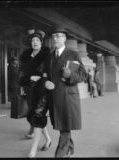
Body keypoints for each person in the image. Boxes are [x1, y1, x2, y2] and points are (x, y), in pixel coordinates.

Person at [45, 26, 87, 157]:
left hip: (67, 96)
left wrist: (70, 76)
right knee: (63, 125)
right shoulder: (50, 56)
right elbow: (46, 75)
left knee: (64, 126)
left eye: (58, 36)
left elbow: (84, 75)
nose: (55, 38)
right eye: (53, 36)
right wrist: (45, 81)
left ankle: (60, 154)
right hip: (54, 96)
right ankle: (70, 149)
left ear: (64, 38)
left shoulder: (73, 54)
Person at [19, 29, 54, 158]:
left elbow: (49, 73)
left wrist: (42, 79)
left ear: (41, 42)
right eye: (32, 40)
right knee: (34, 115)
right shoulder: (26, 56)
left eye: (37, 40)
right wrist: (28, 80)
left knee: (38, 115)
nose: (34, 42)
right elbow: (22, 75)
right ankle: (48, 139)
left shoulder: (46, 55)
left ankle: (32, 151)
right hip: (30, 89)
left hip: (42, 90)